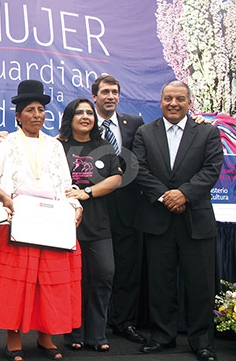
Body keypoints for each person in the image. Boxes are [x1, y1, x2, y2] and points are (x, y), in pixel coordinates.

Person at [0, 80, 83, 361]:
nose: (36, 115)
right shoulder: (6, 144)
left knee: (48, 285)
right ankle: (13, 340)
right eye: (29, 110)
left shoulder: (55, 146)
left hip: (51, 225)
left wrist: (74, 206)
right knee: (15, 286)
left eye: (40, 110)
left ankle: (46, 338)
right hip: (17, 223)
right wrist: (1, 194)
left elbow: (65, 183)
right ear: (17, 115)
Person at [133, 81, 222, 361]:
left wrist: (184, 194)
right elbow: (139, 168)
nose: (174, 103)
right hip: (158, 220)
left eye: (180, 99)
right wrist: (165, 196)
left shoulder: (207, 132)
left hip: (197, 220)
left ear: (189, 102)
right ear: (160, 101)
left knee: (200, 285)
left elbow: (212, 169)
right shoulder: (145, 133)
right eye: (168, 98)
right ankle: (162, 336)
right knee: (161, 283)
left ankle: (201, 341)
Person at [58, 98, 122, 352]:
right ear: (70, 117)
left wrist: (88, 192)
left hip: (98, 225)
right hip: (66, 225)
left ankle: (97, 334)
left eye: (90, 113)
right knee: (73, 281)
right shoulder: (58, 146)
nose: (86, 116)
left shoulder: (103, 146)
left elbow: (116, 178)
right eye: (79, 112)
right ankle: (74, 332)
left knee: (103, 275)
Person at [89, 75, 147, 343]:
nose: (110, 96)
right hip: (93, 206)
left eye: (114, 92)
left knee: (127, 267)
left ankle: (124, 322)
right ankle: (88, 324)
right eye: (105, 92)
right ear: (95, 97)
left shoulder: (134, 123)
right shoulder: (84, 122)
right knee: (95, 269)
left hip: (128, 208)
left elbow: (151, 148)